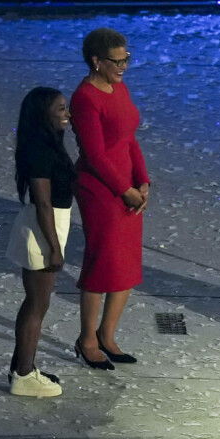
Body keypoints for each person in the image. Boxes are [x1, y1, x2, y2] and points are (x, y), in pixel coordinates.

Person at [70, 27, 151, 371]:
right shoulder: (85, 98)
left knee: (126, 265)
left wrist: (143, 180)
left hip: (127, 186)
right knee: (103, 263)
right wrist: (125, 190)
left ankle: (107, 334)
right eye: (116, 61)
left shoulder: (119, 88)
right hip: (101, 190)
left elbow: (128, 139)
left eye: (126, 59)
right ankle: (87, 339)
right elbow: (95, 155)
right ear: (96, 61)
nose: (123, 67)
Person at [5, 87, 74, 397]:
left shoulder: (47, 143)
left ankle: (22, 365)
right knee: (37, 303)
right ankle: (23, 375)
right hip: (45, 228)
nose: (67, 114)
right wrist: (55, 247)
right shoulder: (40, 150)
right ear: (43, 114)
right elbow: (43, 202)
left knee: (36, 301)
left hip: (47, 224)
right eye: (61, 109)